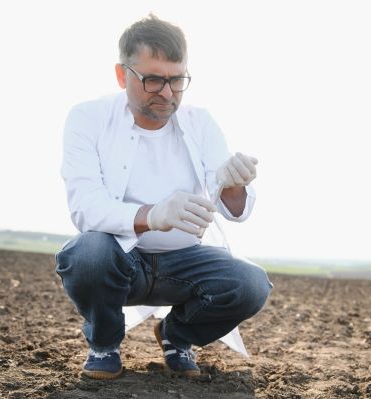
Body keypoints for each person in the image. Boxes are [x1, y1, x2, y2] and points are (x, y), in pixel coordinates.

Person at [55, 13, 273, 380]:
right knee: (88, 252)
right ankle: (104, 344)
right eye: (154, 79)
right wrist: (152, 214)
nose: (168, 93)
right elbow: (85, 206)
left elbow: (230, 206)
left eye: (177, 80)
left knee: (250, 284)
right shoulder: (87, 118)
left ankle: (176, 336)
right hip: (120, 260)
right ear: (123, 75)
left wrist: (234, 183)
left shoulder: (201, 122)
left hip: (184, 262)